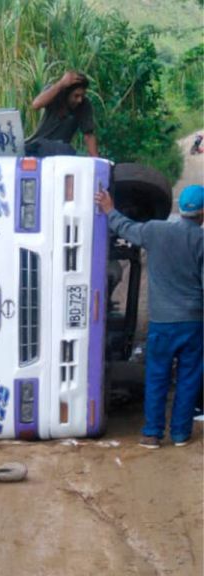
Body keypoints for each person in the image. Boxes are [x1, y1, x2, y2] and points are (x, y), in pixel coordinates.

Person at [95, 184, 203, 448]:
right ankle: (180, 434)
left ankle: (152, 434)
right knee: (189, 377)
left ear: (180, 209)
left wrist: (109, 209)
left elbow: (126, 228)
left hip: (162, 322)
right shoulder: (201, 241)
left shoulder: (155, 230)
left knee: (157, 376)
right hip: (193, 321)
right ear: (202, 214)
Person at [25, 70, 99, 158]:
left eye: (82, 96)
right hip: (38, 147)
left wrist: (96, 160)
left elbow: (89, 135)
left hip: (60, 152)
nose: (79, 100)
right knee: (66, 149)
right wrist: (61, 84)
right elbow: (35, 105)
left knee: (69, 151)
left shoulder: (84, 105)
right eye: (76, 96)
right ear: (67, 93)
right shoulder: (54, 93)